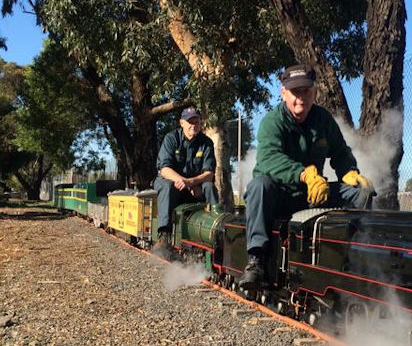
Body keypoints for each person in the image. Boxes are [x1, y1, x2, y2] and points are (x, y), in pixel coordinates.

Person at [239, 64, 374, 289]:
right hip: (279, 195)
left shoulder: (323, 120)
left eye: (306, 91)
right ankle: (256, 261)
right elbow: (269, 160)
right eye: (295, 92)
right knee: (258, 186)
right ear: (284, 94)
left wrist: (349, 171)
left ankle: (359, 256)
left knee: (360, 191)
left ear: (315, 93)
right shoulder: (272, 122)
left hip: (312, 195)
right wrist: (305, 174)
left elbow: (340, 152)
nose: (300, 98)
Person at [153, 106, 219, 254]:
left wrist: (191, 183)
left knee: (209, 186)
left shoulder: (206, 143)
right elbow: (164, 169)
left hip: (195, 188)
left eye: (197, 121)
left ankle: (216, 230)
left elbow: (209, 173)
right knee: (166, 185)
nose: (193, 125)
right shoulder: (171, 138)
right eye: (190, 121)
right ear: (182, 123)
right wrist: (184, 182)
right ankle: (163, 235)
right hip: (173, 187)